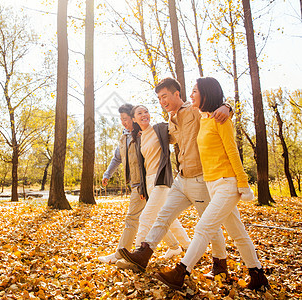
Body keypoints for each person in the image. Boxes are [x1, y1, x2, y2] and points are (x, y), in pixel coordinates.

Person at [154, 77, 269, 291]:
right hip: (212, 184)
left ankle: (181, 272)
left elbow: (233, 152)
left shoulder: (220, 119)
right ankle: (258, 275)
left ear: (206, 93)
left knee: (203, 228)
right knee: (238, 233)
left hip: (227, 183)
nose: (191, 94)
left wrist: (243, 183)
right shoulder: (204, 117)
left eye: (195, 91)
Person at [118, 78, 231, 279]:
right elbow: (161, 139)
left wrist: (227, 106)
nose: (162, 101)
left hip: (200, 177)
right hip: (181, 178)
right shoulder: (170, 121)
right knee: (163, 215)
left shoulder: (195, 110)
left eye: (165, 96)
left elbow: (216, 111)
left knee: (209, 225)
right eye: (159, 98)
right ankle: (144, 253)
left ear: (177, 94)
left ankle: (220, 264)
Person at [116, 105, 190, 271]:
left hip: (161, 180)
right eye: (139, 113)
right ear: (134, 119)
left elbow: (176, 133)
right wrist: (142, 187)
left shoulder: (160, 129)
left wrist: (174, 115)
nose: (144, 115)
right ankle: (189, 247)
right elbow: (142, 166)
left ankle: (136, 257)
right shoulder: (140, 137)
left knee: (146, 218)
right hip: (149, 182)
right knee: (170, 220)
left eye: (146, 112)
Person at [97, 104, 148, 264]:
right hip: (134, 183)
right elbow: (117, 158)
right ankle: (176, 245)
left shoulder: (143, 134)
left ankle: (121, 253)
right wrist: (107, 174)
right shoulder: (124, 136)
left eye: (125, 119)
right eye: (121, 120)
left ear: (133, 118)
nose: (123, 122)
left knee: (132, 218)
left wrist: (143, 185)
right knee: (157, 217)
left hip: (142, 184)